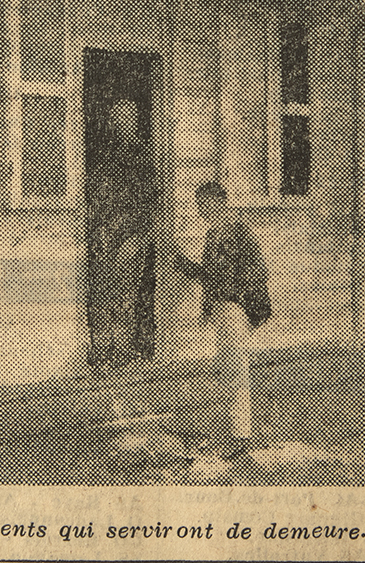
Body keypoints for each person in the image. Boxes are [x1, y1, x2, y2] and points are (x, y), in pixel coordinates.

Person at [173, 181, 271, 460]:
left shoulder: (236, 233)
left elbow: (255, 272)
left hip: (235, 308)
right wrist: (181, 262)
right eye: (200, 206)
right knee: (228, 370)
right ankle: (237, 433)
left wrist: (240, 301)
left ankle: (240, 437)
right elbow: (210, 274)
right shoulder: (214, 233)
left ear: (220, 203)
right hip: (224, 308)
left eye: (207, 205)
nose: (203, 211)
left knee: (234, 371)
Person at [86, 99, 158, 368]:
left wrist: (137, 240)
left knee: (128, 298)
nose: (122, 124)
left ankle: (127, 354)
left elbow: (151, 208)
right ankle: (104, 352)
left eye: (128, 119)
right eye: (118, 119)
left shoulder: (143, 159)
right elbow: (96, 198)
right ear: (112, 123)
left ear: (136, 123)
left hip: (133, 240)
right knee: (104, 296)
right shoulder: (105, 157)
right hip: (107, 240)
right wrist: (99, 231)